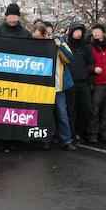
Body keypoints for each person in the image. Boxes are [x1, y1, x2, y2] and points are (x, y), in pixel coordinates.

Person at [33, 23, 76, 151]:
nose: (37, 40)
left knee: (62, 114)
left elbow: (70, 58)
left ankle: (66, 140)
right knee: (44, 114)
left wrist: (59, 47)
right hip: (42, 87)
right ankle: (44, 140)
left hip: (58, 86)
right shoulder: (34, 45)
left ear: (45, 34)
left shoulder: (59, 41)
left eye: (39, 37)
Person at [65, 22, 94, 142]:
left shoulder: (86, 48)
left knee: (87, 109)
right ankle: (71, 134)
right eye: (76, 31)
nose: (78, 33)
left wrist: (90, 81)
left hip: (83, 83)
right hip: (70, 82)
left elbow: (90, 64)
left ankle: (78, 132)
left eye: (80, 31)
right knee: (71, 110)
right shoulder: (66, 46)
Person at [88, 24, 106, 143]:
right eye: (94, 31)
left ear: (103, 33)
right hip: (97, 82)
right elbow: (86, 64)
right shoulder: (90, 47)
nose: (95, 33)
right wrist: (93, 69)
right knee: (94, 110)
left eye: (98, 31)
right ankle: (92, 134)